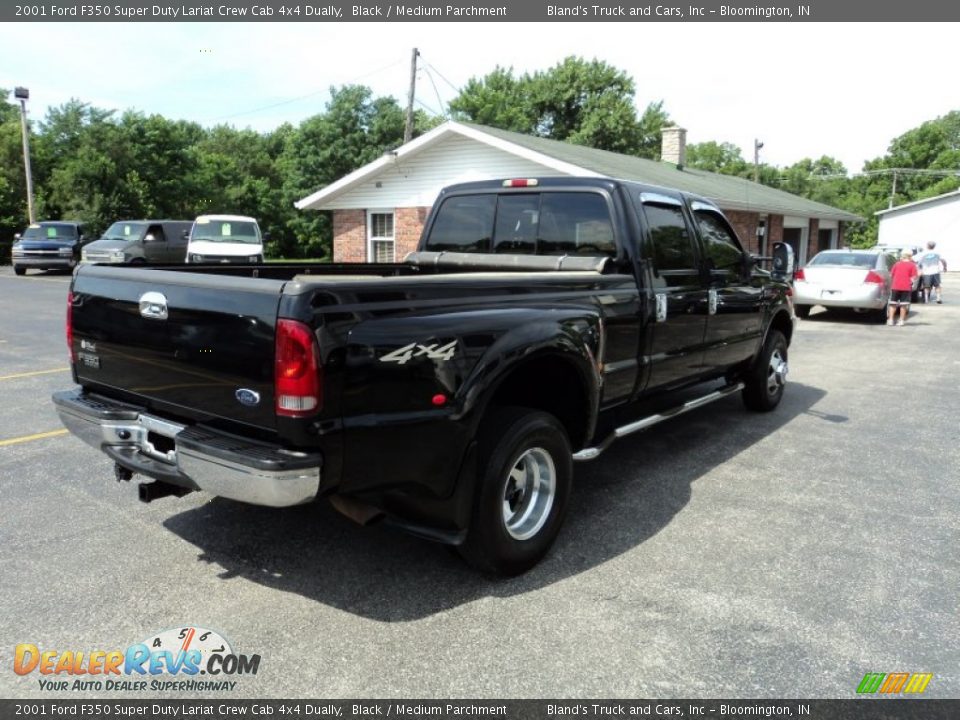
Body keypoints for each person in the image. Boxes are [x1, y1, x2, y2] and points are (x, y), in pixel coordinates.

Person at [888, 249, 919, 326]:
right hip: (906, 287)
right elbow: (914, 277)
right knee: (903, 305)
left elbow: (891, 275)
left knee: (893, 304)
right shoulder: (912, 265)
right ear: (910, 256)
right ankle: (901, 321)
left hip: (895, 286)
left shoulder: (897, 264)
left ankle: (891, 320)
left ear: (902, 256)